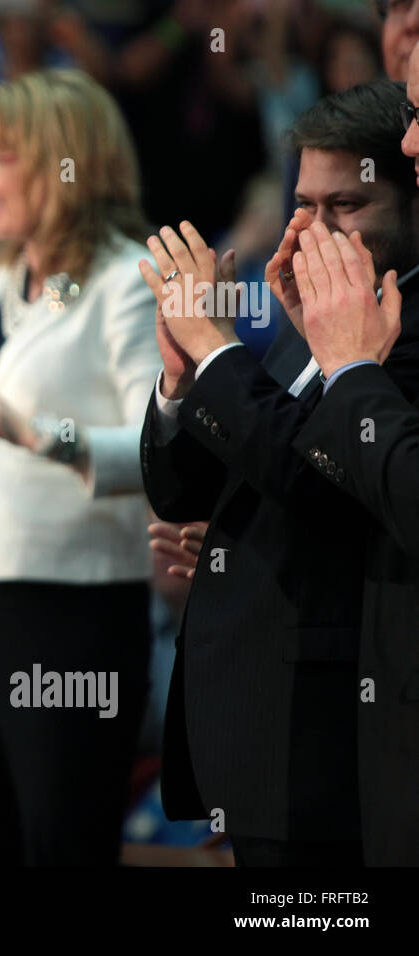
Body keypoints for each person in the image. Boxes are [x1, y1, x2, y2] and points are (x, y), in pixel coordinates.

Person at [138, 78, 419, 866]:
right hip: (255, 727)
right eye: (304, 204)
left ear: (408, 202)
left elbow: (322, 487)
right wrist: (183, 381)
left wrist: (220, 350)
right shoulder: (313, 318)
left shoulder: (400, 322)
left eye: (346, 207)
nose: (313, 231)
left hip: (327, 741)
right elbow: (180, 491)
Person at [0, 69, 159, 866]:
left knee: (59, 844)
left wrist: (39, 436)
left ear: (59, 163)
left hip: (73, 614)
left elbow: (159, 445)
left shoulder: (126, 278)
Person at [280, 44, 419, 865]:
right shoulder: (329, 309)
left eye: (347, 204)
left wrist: (348, 369)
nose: (409, 142)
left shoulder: (387, 318)